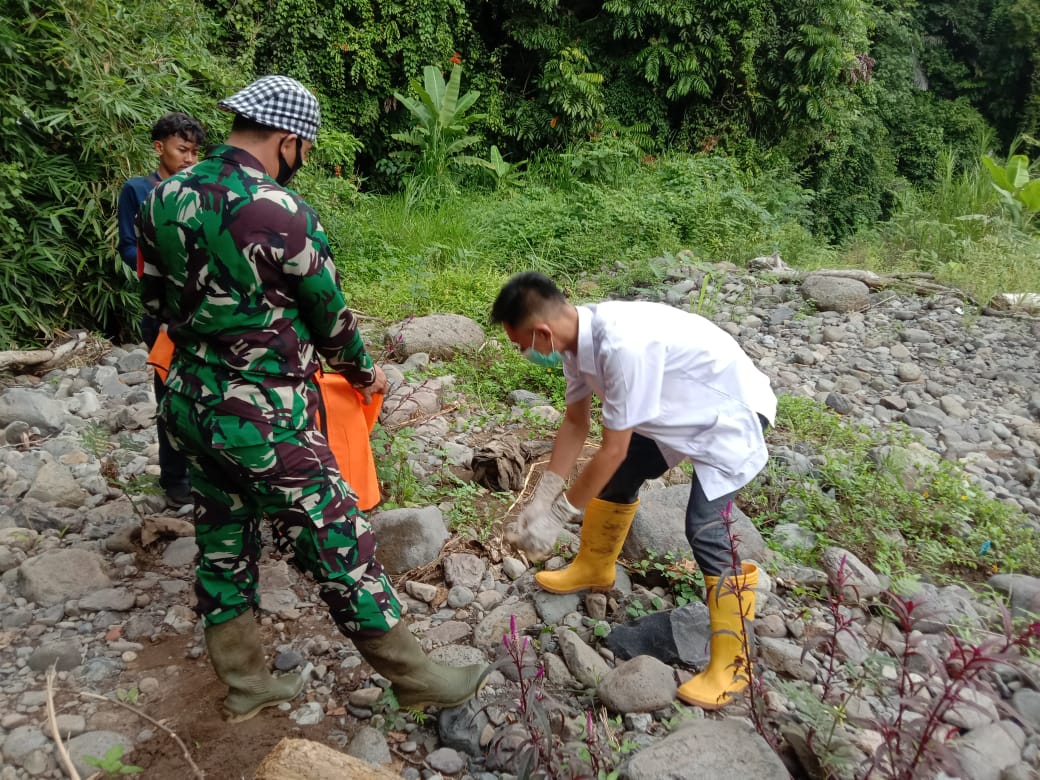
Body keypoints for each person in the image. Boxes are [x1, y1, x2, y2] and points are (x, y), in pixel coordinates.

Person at [137, 76, 486, 722]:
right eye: (305, 149)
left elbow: (154, 304)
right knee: (336, 538)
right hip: (264, 418)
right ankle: (414, 677)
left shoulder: (163, 198)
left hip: (187, 404)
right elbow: (332, 323)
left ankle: (245, 683)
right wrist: (365, 375)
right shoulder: (282, 212)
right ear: (288, 140)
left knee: (222, 537)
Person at [491, 271, 777, 710]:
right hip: (670, 405)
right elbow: (575, 422)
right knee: (621, 477)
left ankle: (732, 663)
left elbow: (610, 449)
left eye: (521, 344)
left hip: (724, 411)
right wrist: (542, 495)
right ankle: (595, 566)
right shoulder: (575, 341)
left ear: (542, 332)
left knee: (705, 527)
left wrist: (557, 516)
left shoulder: (622, 347)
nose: (523, 353)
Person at [117, 112, 206, 508]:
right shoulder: (137, 190)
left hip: (203, 310)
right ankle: (175, 480)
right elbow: (129, 247)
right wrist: (168, 266)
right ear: (159, 147)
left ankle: (212, 475)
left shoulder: (201, 189)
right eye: (181, 149)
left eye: (194, 151)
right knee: (169, 394)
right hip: (163, 314)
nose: (189, 158)